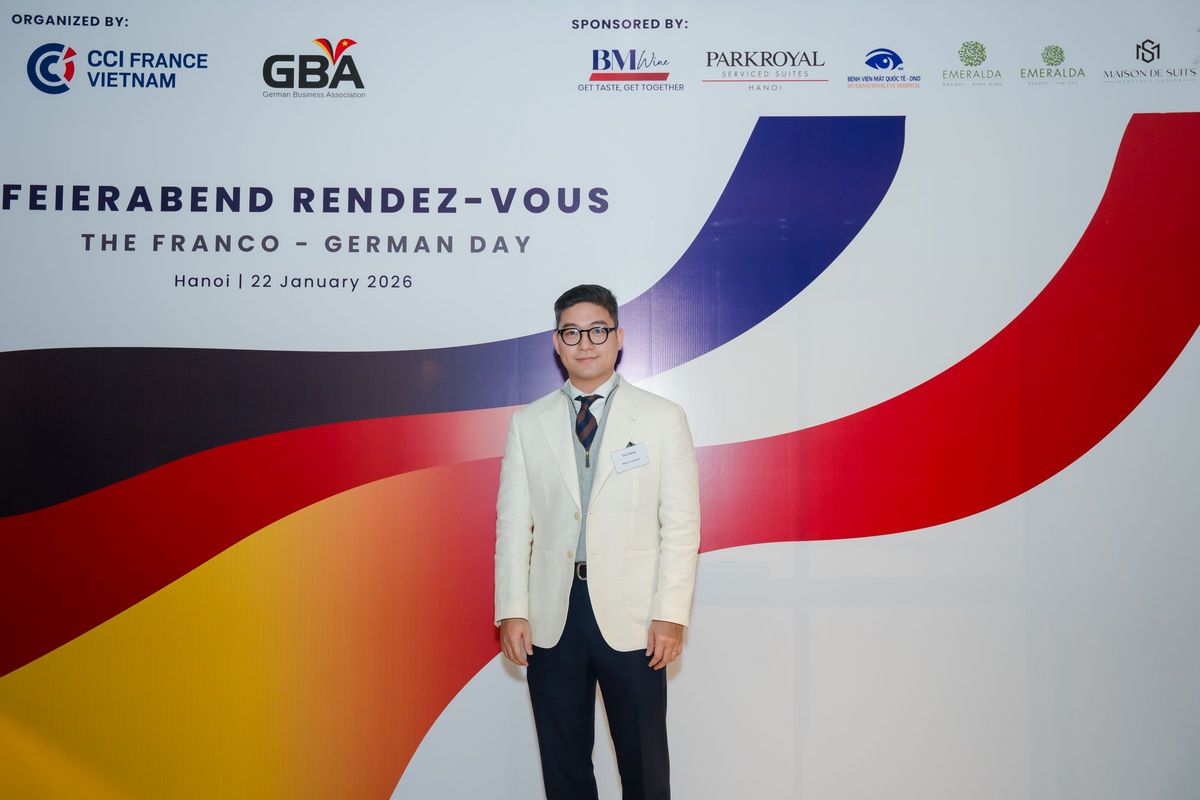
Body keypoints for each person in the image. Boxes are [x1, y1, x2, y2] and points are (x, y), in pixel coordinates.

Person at [494, 284, 701, 800]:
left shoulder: (661, 418)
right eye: (571, 332)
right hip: (552, 616)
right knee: (563, 765)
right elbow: (513, 524)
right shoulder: (528, 423)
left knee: (644, 765)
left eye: (597, 330)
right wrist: (512, 610)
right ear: (556, 343)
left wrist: (670, 613)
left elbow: (680, 525)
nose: (585, 343)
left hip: (635, 617)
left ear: (618, 337)